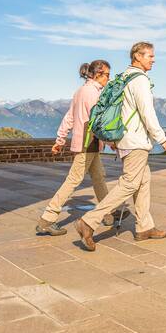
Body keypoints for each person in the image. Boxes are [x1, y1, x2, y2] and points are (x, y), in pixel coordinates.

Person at [74, 41, 166, 250]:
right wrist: (161, 138)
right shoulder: (140, 80)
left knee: (143, 181)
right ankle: (88, 222)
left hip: (126, 139)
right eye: (150, 56)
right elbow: (147, 113)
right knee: (129, 183)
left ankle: (144, 227)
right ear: (137, 56)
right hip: (136, 141)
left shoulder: (125, 77)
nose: (153, 60)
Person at [35, 60, 113, 236]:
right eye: (107, 75)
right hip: (88, 143)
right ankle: (47, 219)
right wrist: (111, 142)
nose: (108, 78)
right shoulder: (93, 93)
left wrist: (60, 139)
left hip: (88, 143)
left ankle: (108, 212)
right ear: (98, 74)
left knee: (99, 177)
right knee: (73, 180)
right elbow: (98, 122)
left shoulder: (80, 91)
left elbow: (69, 117)